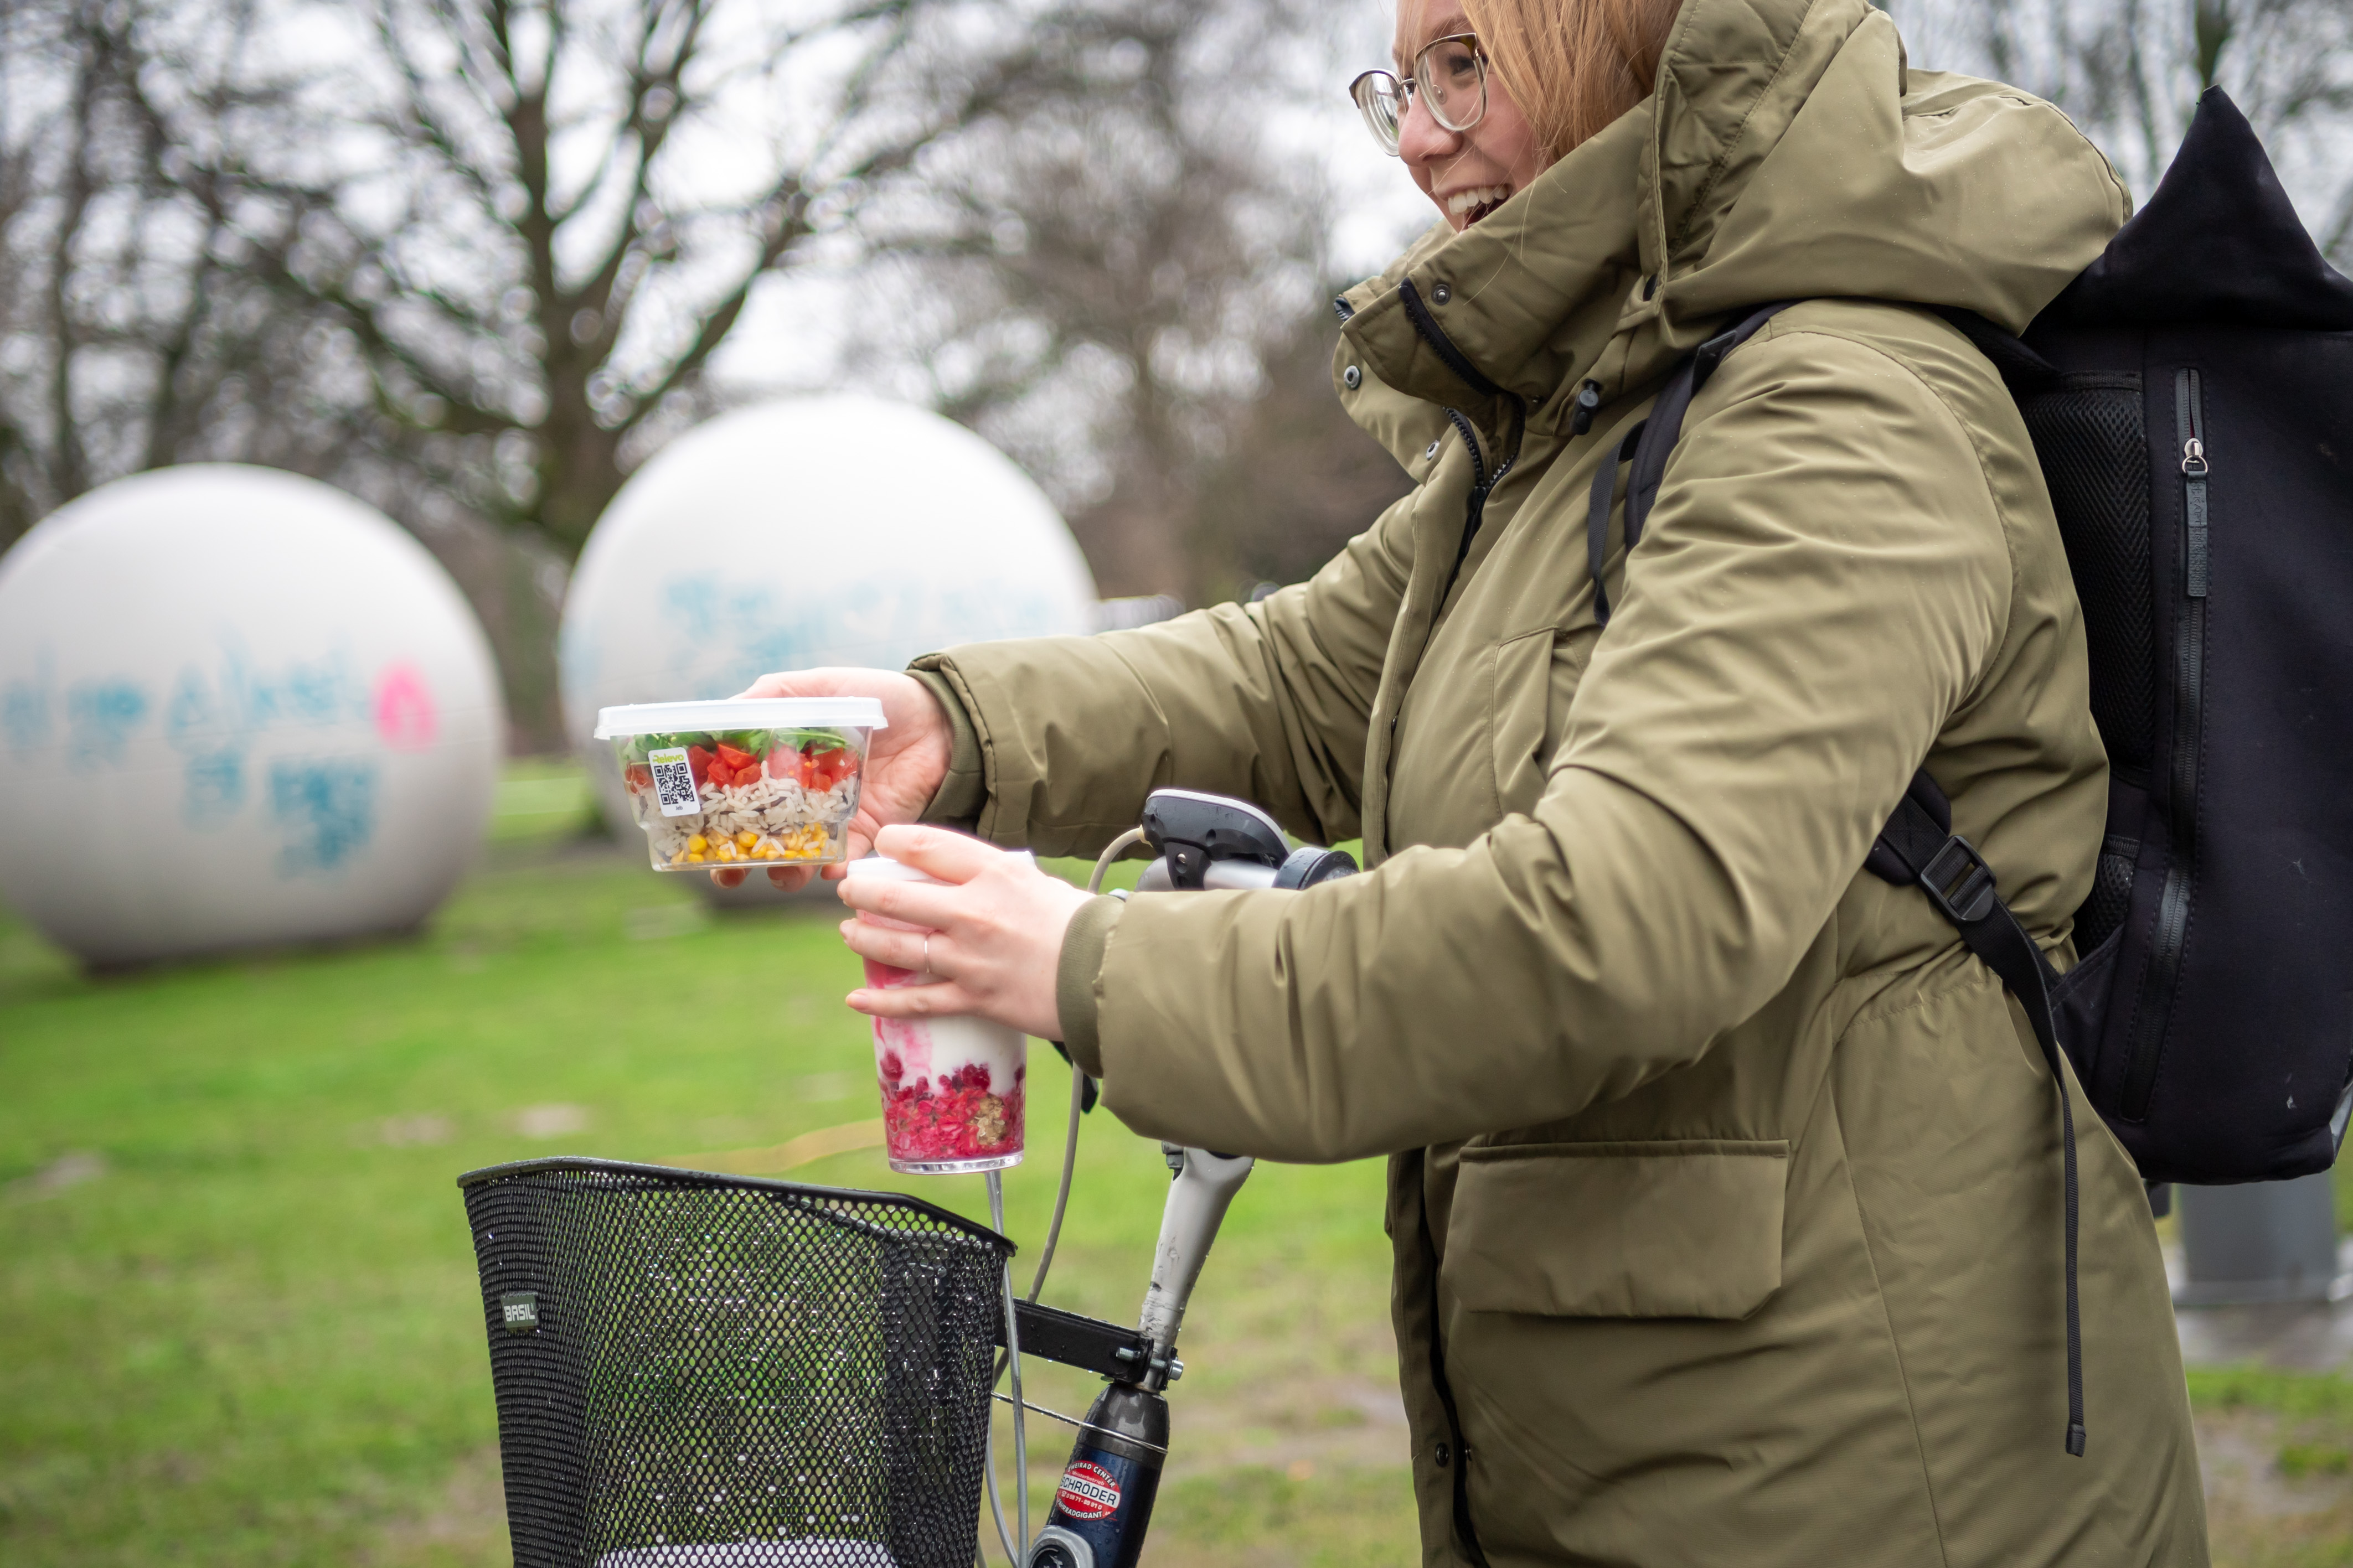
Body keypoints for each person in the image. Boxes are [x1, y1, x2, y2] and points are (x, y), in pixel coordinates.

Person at [718, 0, 2208, 1560]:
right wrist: (955, 727)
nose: (1419, 135)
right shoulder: (1577, 421)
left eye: (1464, 65)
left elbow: (1624, 915)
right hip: (1652, 1442)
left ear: (1636, 50)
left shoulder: (1835, 408)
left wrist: (1088, 964)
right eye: (1400, 83)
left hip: (1868, 1477)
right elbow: (1302, 677)